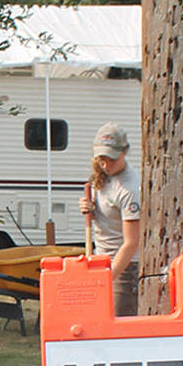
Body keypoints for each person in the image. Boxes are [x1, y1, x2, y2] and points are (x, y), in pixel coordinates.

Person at [78, 122, 141, 317]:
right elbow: (105, 209)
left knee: (118, 326)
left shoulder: (130, 189)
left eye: (112, 159)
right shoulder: (101, 176)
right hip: (99, 260)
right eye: (102, 158)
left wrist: (108, 277)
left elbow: (131, 243)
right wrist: (89, 207)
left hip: (123, 270)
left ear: (124, 152)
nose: (106, 164)